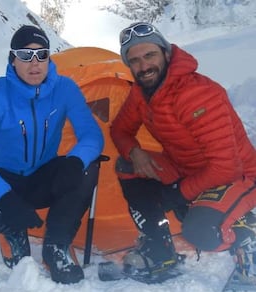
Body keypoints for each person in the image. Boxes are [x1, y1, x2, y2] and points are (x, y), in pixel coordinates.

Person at [0, 25, 104, 284]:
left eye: (41, 54)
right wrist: (4, 199)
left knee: (87, 168)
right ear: (13, 60)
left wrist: (75, 160)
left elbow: (92, 135)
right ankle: (12, 228)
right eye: (25, 55)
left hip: (41, 176)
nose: (34, 63)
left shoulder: (64, 89)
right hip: (5, 178)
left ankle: (56, 245)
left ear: (49, 58)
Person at [110, 22, 256, 278]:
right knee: (126, 165)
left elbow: (226, 167)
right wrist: (135, 152)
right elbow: (119, 130)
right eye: (134, 61)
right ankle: (161, 249)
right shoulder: (141, 93)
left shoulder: (197, 94)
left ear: (166, 53)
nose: (143, 67)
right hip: (187, 169)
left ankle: (247, 232)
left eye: (149, 55)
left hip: (239, 176)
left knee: (200, 233)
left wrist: (179, 192)